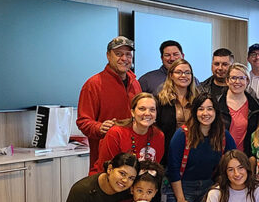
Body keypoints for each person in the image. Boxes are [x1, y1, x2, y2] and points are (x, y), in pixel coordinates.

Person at [161, 92, 237, 202]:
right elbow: (172, 169)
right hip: (181, 187)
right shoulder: (182, 135)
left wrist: (220, 188)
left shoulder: (223, 135)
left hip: (208, 187)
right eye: (201, 109)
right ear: (195, 112)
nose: (206, 113)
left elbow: (235, 159)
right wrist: (180, 200)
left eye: (210, 109)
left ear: (216, 112)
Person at [77, 36, 142, 171]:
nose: (124, 59)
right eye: (118, 54)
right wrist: (99, 127)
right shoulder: (93, 84)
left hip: (133, 158)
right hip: (106, 159)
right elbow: (83, 121)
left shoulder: (135, 83)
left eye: (128, 55)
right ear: (108, 56)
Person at [90, 92, 165, 175]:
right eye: (142, 109)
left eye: (152, 110)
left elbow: (153, 170)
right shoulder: (116, 133)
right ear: (132, 112)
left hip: (139, 185)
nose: (147, 113)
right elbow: (106, 169)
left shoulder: (158, 136)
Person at [155, 59, 200, 165]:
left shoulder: (198, 100)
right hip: (167, 156)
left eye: (187, 72)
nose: (183, 75)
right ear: (171, 75)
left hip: (194, 155)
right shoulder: (160, 101)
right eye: (178, 72)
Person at [218, 63, 259, 157]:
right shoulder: (216, 104)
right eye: (233, 78)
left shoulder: (256, 107)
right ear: (227, 81)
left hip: (245, 157)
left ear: (247, 81)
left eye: (242, 78)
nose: (237, 81)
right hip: (221, 157)